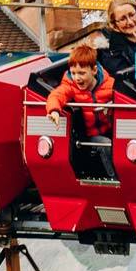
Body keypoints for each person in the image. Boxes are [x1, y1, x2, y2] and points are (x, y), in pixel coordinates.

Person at [45, 41, 116, 178]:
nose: (77, 78)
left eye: (82, 73)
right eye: (73, 73)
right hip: (89, 135)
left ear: (94, 70)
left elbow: (122, 95)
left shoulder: (109, 84)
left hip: (109, 128)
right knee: (106, 145)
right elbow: (56, 95)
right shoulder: (70, 85)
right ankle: (114, 179)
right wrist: (54, 110)